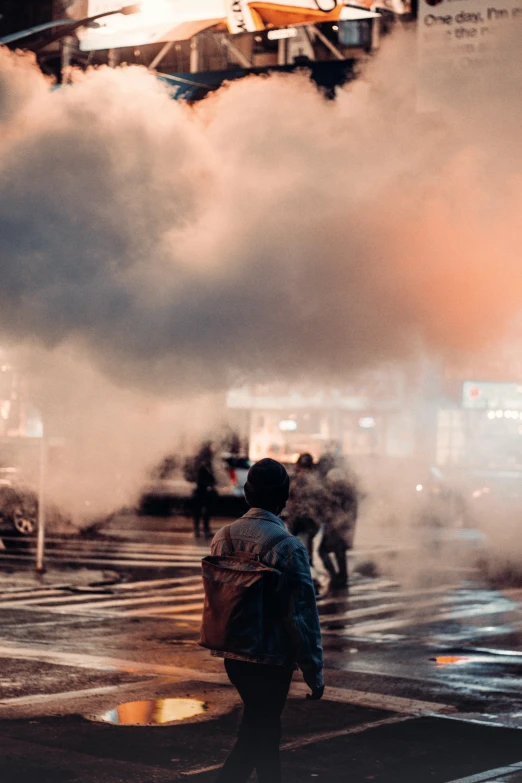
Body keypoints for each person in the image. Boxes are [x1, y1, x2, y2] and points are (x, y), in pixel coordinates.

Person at [209, 458, 324, 783]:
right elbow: (301, 615)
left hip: (233, 654)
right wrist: (313, 668)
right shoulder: (287, 547)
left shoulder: (223, 537)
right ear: (284, 498)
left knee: (261, 726)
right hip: (272, 659)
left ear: (246, 494)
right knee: (261, 727)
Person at [318, 468, 358, 591]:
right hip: (345, 526)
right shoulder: (350, 490)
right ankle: (342, 577)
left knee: (323, 551)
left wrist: (328, 521)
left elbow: (330, 509)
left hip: (335, 526)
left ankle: (335, 576)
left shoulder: (336, 491)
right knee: (340, 552)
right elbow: (353, 510)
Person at [285, 453, 324, 569]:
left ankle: (298, 568)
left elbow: (287, 497)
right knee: (306, 545)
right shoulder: (316, 480)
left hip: (299, 516)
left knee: (294, 543)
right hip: (308, 517)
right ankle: (306, 568)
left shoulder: (294, 479)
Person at [192, 443, 216, 539]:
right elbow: (199, 478)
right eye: (212, 447)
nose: (213, 449)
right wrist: (208, 485)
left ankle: (204, 529)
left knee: (205, 512)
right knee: (200, 511)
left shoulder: (207, 462)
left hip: (204, 491)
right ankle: (199, 530)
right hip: (202, 491)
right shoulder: (202, 463)